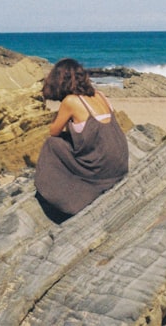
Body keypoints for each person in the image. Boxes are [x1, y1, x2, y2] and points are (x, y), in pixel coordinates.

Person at [34, 58, 129, 220]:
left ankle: (64, 195)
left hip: (101, 168)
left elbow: (54, 131)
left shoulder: (71, 101)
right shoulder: (100, 95)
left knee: (51, 145)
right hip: (120, 164)